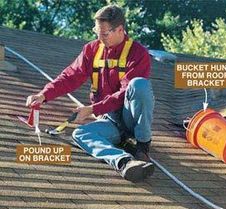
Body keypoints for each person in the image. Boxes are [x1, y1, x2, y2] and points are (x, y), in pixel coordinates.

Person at [26, 4, 155, 182]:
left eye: (104, 34)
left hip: (130, 118)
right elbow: (70, 76)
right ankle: (124, 162)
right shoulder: (92, 50)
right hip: (108, 120)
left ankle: (142, 148)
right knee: (80, 134)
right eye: (97, 31)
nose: (99, 38)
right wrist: (43, 95)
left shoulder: (138, 53)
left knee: (139, 85)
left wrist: (92, 109)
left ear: (120, 29)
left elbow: (125, 93)